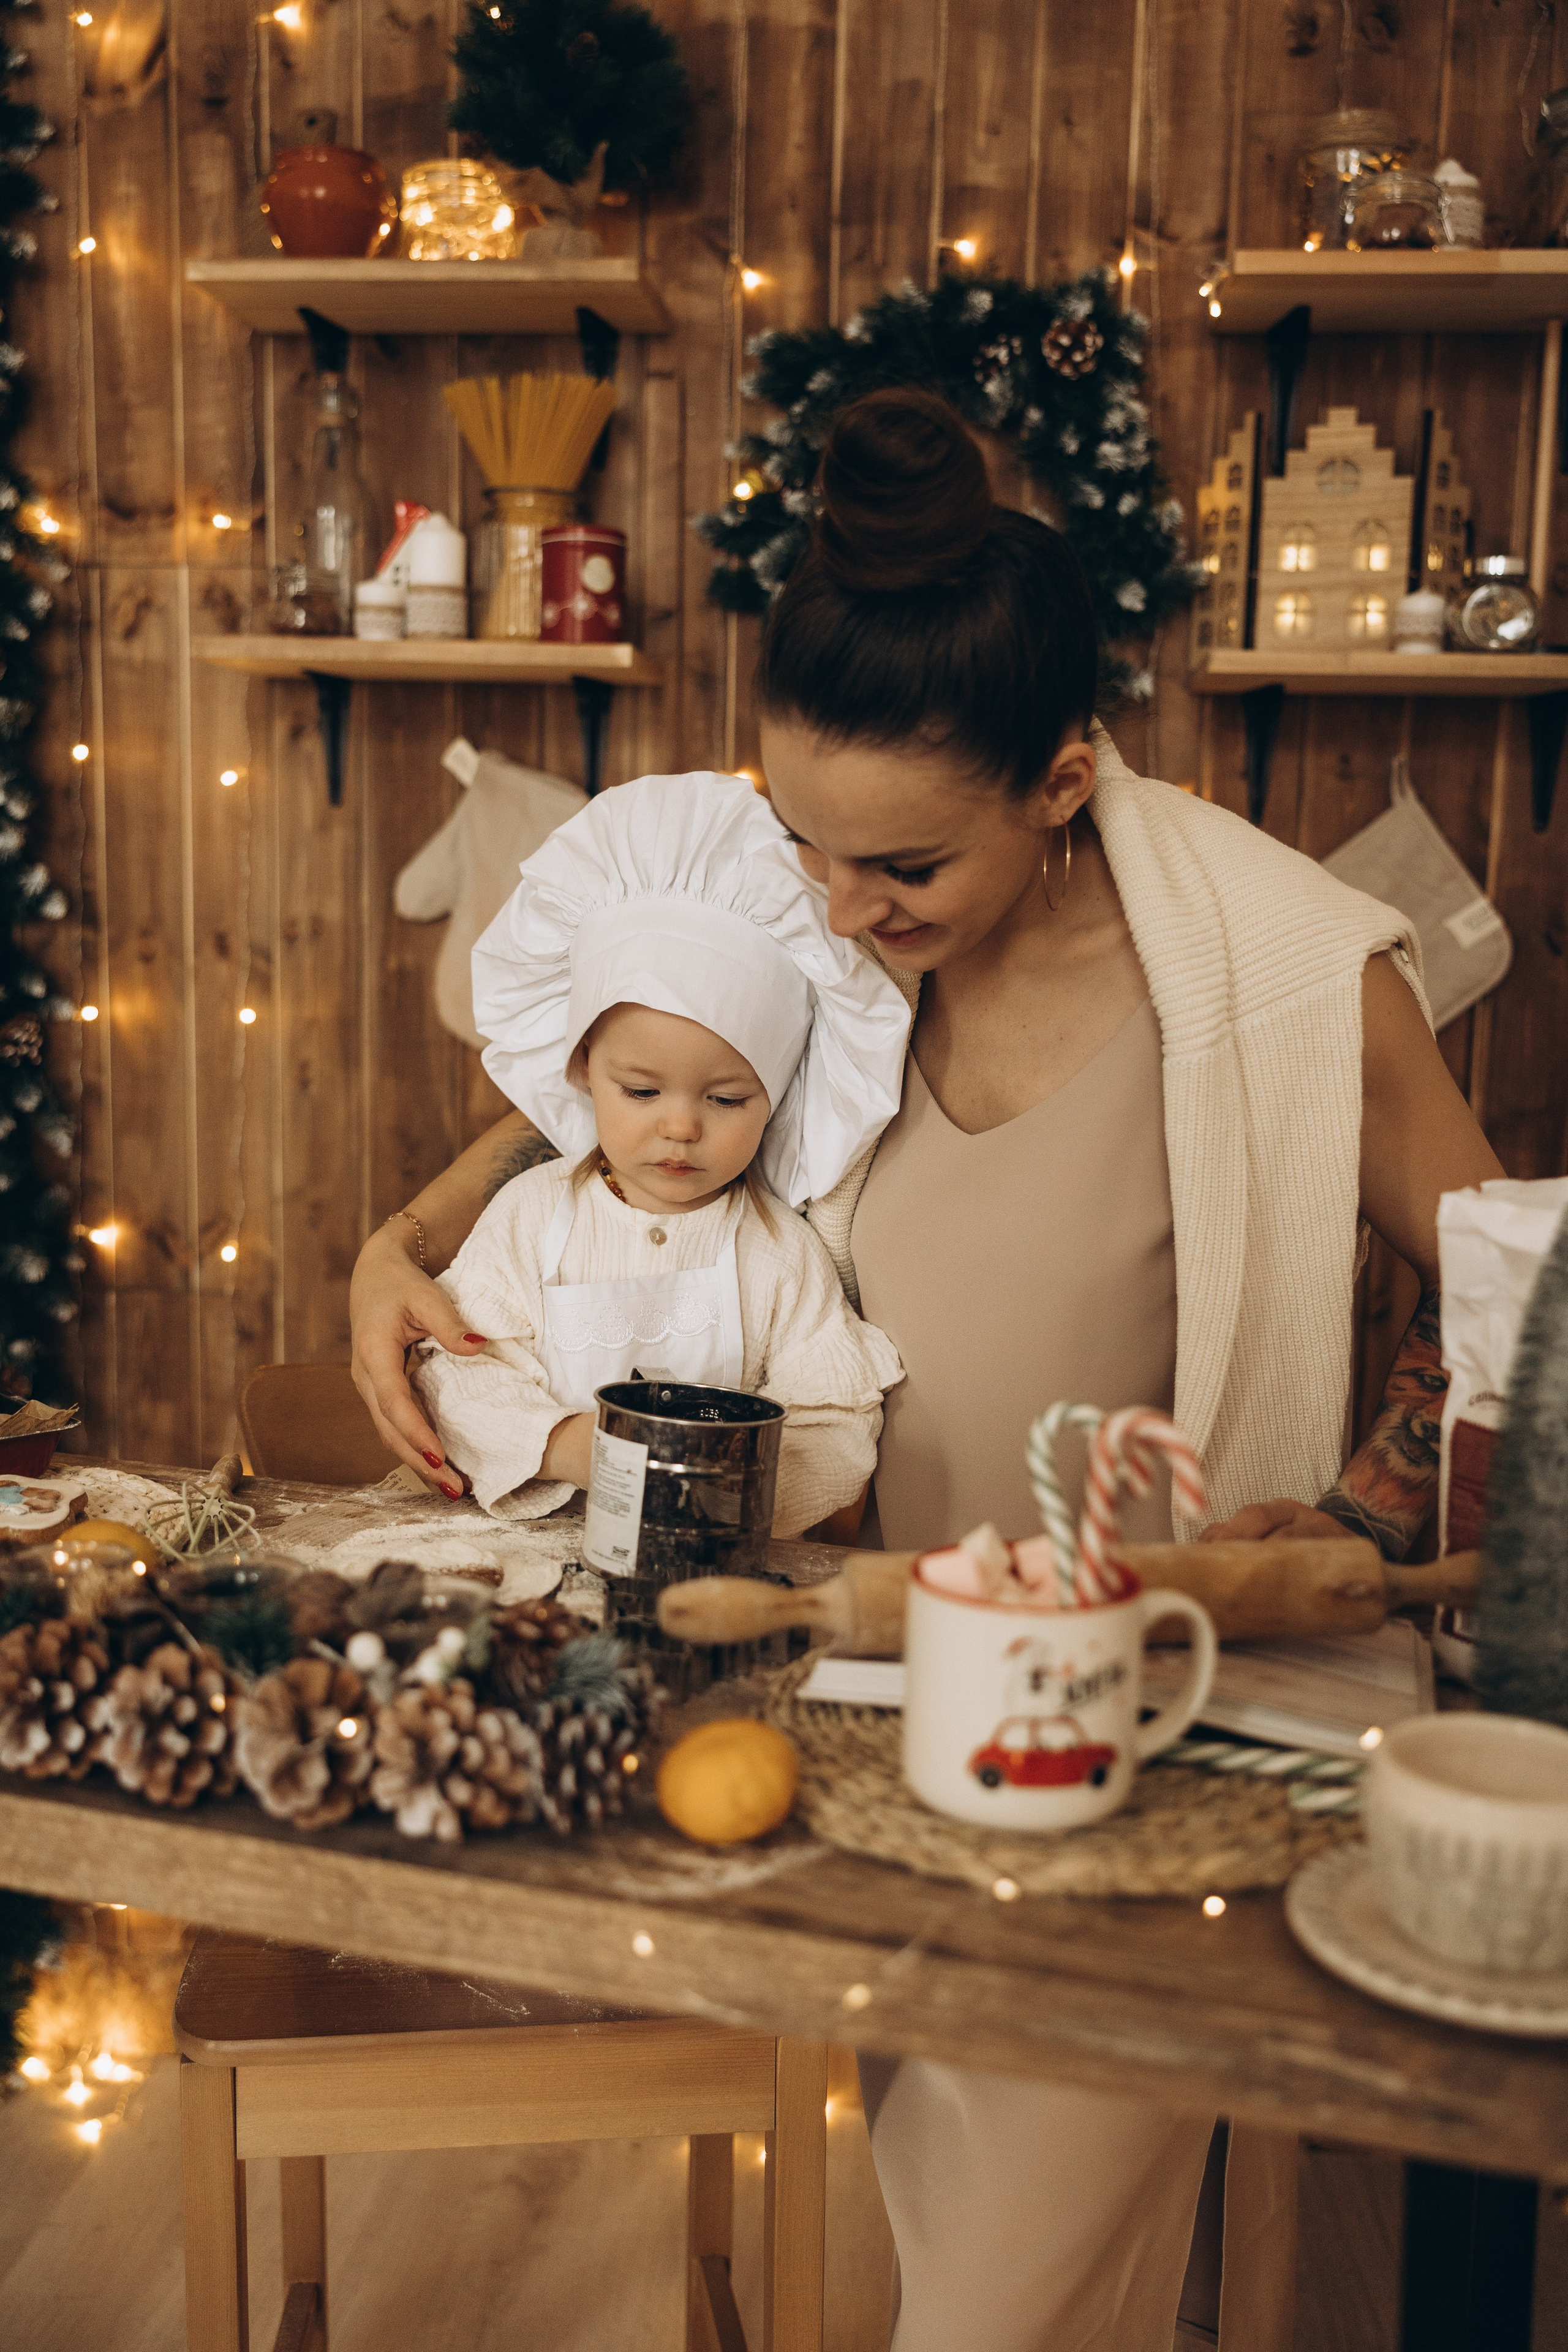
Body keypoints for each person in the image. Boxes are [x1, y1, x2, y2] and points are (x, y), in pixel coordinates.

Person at [350, 388, 1502, 2349]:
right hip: (862, 1721)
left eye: (901, 869)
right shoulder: (820, 960)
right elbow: (628, 1090)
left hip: (1130, 1742)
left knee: (993, 2302)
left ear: (1059, 782)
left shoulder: (1284, 973)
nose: (837, 908)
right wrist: (413, 1229)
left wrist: (1367, 1506)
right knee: (968, 2254)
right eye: (802, 844)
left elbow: (1517, 1297)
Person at [407, 769, 909, 1534]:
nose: (681, 1128)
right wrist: (577, 1448)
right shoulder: (531, 1216)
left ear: (778, 1098)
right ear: (582, 1071)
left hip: (714, 1568)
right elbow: (457, 1376)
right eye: (642, 1092)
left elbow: (834, 1418)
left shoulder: (779, 1253)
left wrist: (744, 1494)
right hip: (531, 1551)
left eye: (726, 1099)